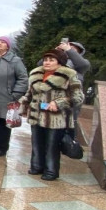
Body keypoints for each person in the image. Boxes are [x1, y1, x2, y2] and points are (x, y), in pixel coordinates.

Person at [20, 48, 84, 180]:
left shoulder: (69, 75)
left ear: (59, 62)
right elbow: (30, 93)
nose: (47, 62)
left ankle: (51, 170)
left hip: (56, 118)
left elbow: (78, 97)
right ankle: (36, 166)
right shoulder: (35, 74)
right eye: (45, 60)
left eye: (51, 60)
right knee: (37, 143)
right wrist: (22, 106)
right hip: (36, 115)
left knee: (52, 146)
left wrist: (59, 103)